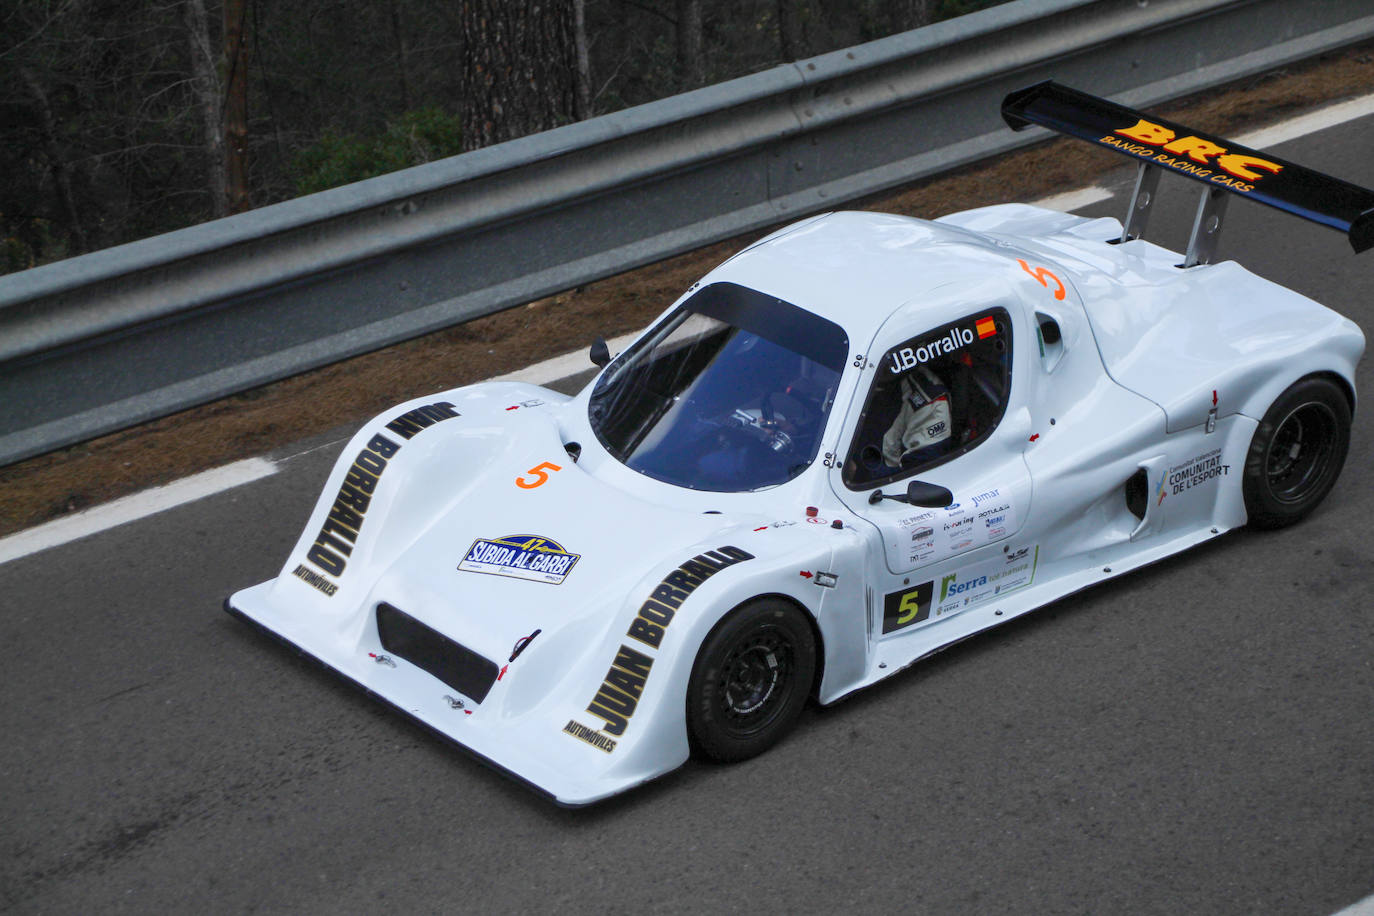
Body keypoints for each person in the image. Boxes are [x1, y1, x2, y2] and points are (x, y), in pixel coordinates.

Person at [881, 364, 953, 468]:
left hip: (924, 453)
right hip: (940, 440)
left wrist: (892, 466)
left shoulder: (912, 390)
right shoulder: (920, 373)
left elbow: (890, 444)